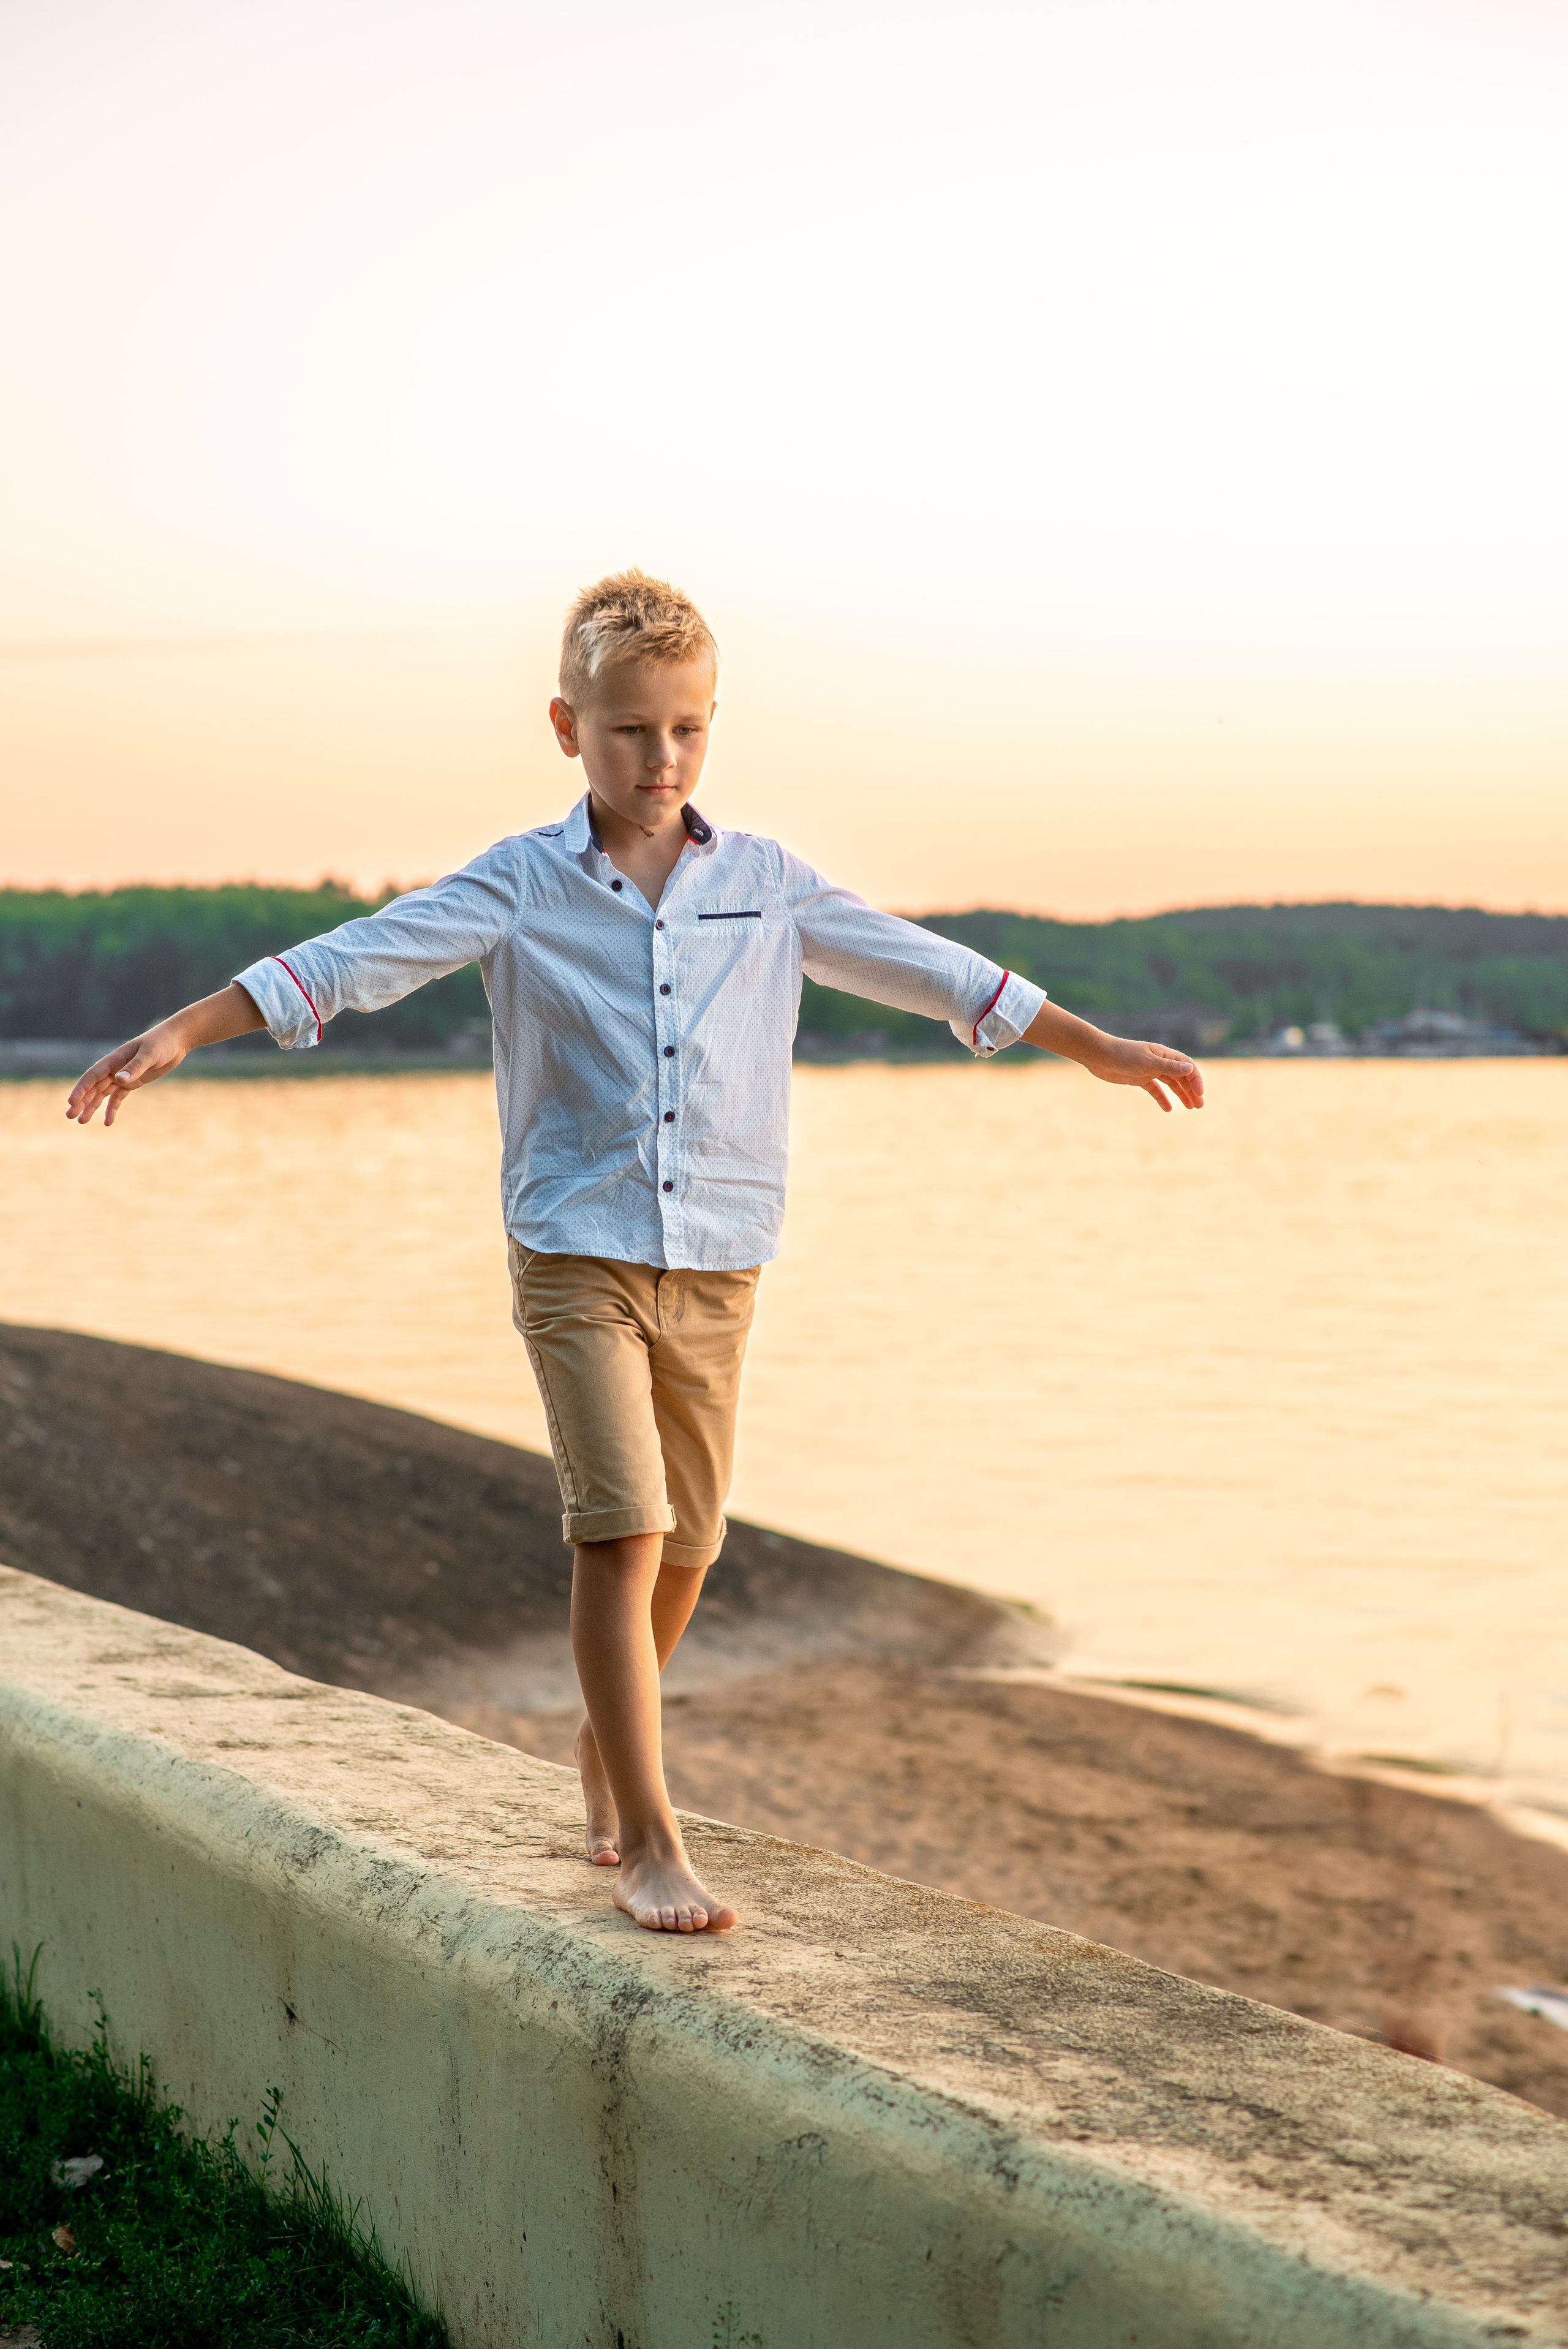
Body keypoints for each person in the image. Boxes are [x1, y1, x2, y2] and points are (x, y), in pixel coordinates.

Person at [67, 569, 1204, 1935]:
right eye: (628, 732)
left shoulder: (768, 886)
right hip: (575, 1246)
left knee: (695, 1543)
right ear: (568, 726)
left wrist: (1094, 1046)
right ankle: (654, 1836)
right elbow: (360, 956)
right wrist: (186, 1029)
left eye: (685, 730)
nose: (658, 758)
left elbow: (936, 971)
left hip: (721, 1254)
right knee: (624, 1523)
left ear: (710, 725)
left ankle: (609, 1744)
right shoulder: (522, 882)